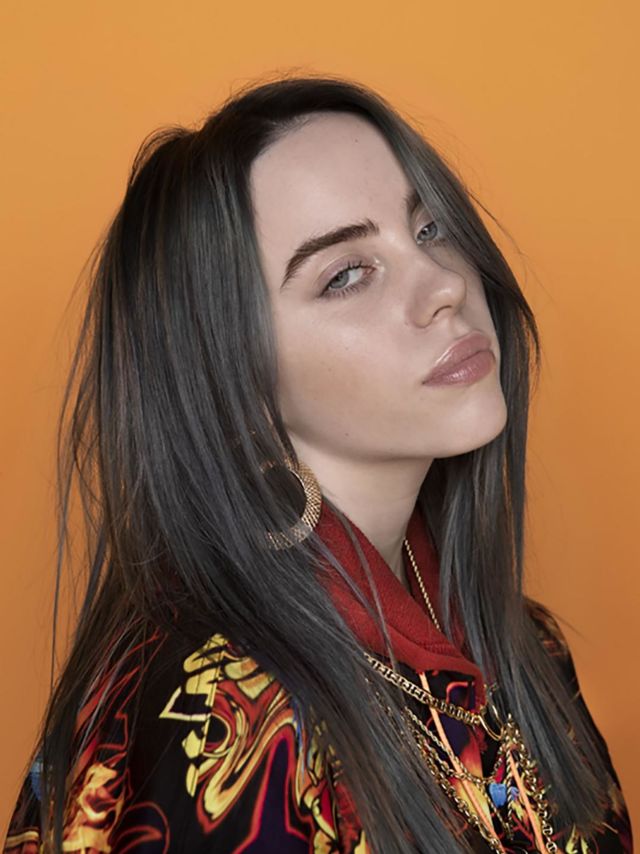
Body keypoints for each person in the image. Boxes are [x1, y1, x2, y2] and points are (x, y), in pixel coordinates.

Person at [3, 74, 632, 854]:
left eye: (430, 228)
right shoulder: (227, 721)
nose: (444, 286)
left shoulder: (521, 646)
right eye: (345, 275)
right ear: (235, 381)